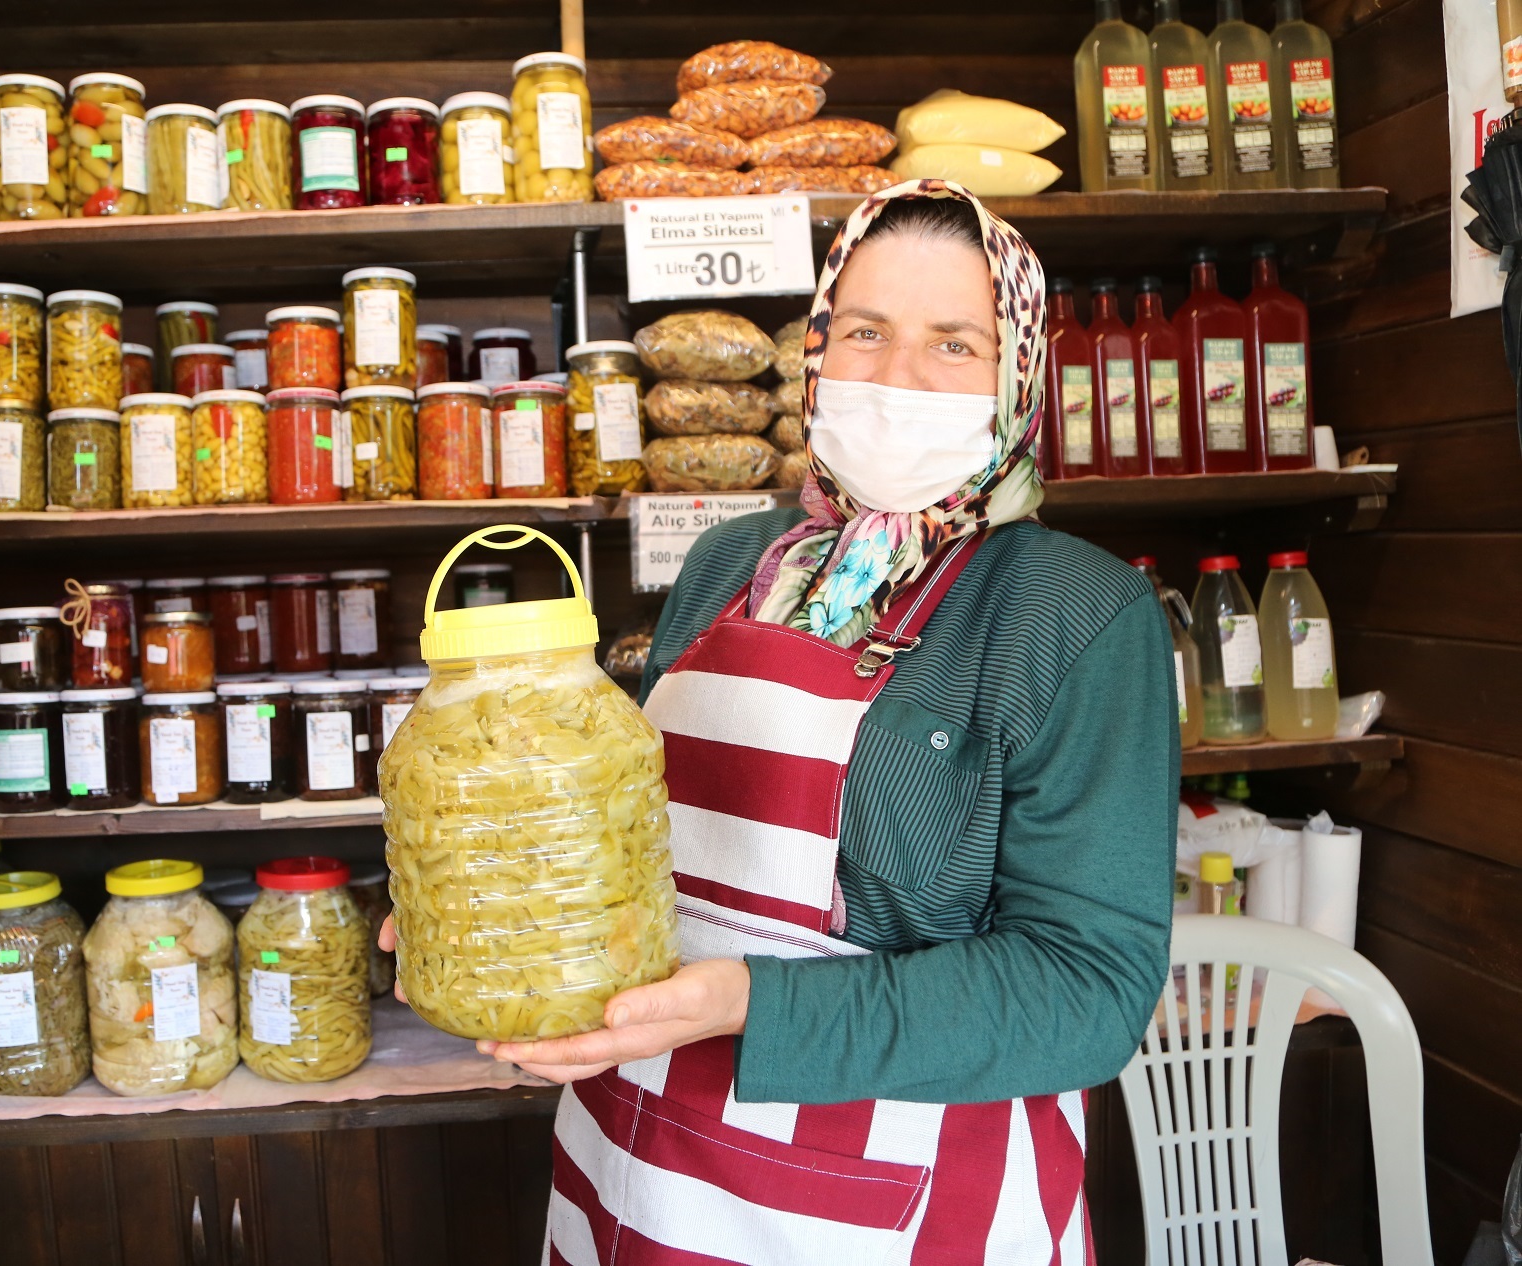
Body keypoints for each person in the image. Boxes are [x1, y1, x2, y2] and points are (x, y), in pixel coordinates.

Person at [471, 181, 1178, 1261]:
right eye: (865, 331)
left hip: (902, 1195)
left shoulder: (1076, 612)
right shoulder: (725, 563)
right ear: (813, 348)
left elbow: (1083, 994)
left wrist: (744, 1004)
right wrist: (502, 915)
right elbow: (634, 839)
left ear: (1020, 372)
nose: (897, 377)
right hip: (636, 1152)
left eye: (955, 345)